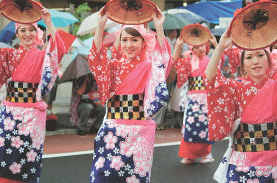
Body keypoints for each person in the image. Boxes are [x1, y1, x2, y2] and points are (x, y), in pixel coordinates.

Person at [87, 5, 171, 183]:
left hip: (139, 134)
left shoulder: (149, 67)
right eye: (124, 40)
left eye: (134, 40)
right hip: (113, 132)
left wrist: (159, 27)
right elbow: (96, 59)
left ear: (144, 42)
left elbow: (161, 60)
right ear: (119, 41)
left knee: (135, 179)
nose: (129, 45)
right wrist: (100, 26)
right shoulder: (113, 66)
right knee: (104, 177)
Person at [0, 6, 65, 183]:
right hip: (9, 114)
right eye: (23, 30)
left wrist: (48, 22)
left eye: (31, 30)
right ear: (17, 34)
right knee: (4, 156)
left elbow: (59, 50)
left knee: (28, 156)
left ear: (38, 33)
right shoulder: (8, 54)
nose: (27, 34)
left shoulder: (44, 56)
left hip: (32, 115)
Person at [205, 28, 277, 182]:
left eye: (260, 55)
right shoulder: (235, 87)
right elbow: (211, 81)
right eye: (249, 57)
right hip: (243, 163)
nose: (256, 61)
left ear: (269, 59)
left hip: (273, 162)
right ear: (242, 65)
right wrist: (220, 47)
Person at [173, 31, 218, 164]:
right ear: (191, 49)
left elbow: (218, 65)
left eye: (202, 46)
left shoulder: (210, 60)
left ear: (207, 46)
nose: (200, 49)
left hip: (206, 98)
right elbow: (175, 64)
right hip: (192, 99)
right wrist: (178, 47)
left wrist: (216, 43)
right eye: (196, 47)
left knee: (205, 127)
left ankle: (207, 154)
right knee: (190, 126)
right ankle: (189, 155)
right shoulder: (188, 61)